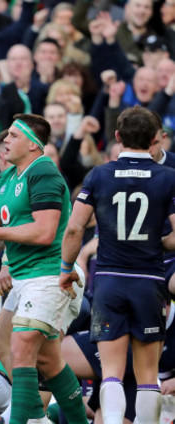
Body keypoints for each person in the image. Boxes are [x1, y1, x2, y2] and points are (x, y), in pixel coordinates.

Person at [0, 114, 88, 424]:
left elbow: (44, 233)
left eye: (14, 137)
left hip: (51, 274)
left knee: (21, 345)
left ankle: (25, 421)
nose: (6, 141)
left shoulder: (44, 173)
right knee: (39, 356)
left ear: (33, 145)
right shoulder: (4, 179)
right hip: (24, 276)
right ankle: (54, 420)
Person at [60, 105, 175, 424]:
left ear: (117, 136)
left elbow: (74, 228)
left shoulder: (98, 175)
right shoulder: (168, 177)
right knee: (147, 374)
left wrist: (66, 269)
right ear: (155, 139)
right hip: (149, 283)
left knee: (110, 372)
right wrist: (157, 240)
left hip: (109, 282)